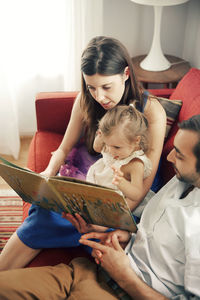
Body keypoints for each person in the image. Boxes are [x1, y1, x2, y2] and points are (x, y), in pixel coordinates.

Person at [0, 36, 166, 271]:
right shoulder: (86, 100)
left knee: (91, 230)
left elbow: (145, 183)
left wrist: (108, 219)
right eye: (91, 87)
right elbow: (64, 148)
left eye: (106, 87)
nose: (99, 96)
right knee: (47, 210)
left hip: (127, 191)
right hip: (94, 176)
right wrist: (47, 173)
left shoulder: (152, 111)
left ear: (126, 74)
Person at [0, 115, 199, 299]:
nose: (169, 157)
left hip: (121, 292)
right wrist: (126, 236)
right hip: (87, 270)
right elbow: (154, 234)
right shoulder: (181, 180)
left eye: (180, 156)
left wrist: (125, 277)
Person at [86, 104, 154, 218]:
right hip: (99, 189)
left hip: (118, 203)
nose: (111, 152)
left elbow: (137, 194)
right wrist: (100, 136)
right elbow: (96, 148)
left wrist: (122, 183)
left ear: (136, 140)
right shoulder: (113, 143)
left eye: (117, 147)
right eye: (107, 145)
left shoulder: (135, 163)